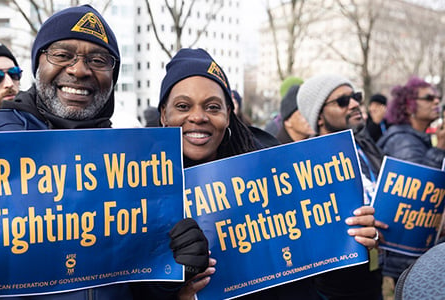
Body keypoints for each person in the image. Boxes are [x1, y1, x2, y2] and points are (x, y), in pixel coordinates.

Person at [0, 5, 200, 300]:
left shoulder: (132, 161)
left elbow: (138, 280)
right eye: (63, 54)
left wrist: (170, 272)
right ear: (37, 63)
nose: (79, 70)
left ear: (112, 76)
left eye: (98, 60)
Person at [158, 50, 379, 300]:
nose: (198, 117)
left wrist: (350, 242)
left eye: (213, 107)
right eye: (183, 106)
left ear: (228, 114)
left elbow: (315, 277)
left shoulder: (276, 176)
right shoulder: (140, 195)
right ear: (164, 113)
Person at [296, 73, 384, 299]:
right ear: (319, 117)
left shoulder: (366, 146)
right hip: (332, 286)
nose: (354, 104)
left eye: (356, 96)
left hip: (374, 274)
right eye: (343, 101)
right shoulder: (305, 163)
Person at [375, 76, 445, 285]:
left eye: (438, 97)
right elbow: (422, 191)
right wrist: (440, 148)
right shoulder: (402, 141)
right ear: (409, 106)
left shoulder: (417, 138)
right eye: (429, 98)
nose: (436, 102)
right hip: (408, 252)